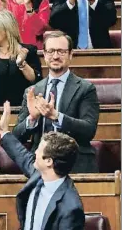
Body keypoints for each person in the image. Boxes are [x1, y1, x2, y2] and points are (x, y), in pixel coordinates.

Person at [0, 101, 85, 230]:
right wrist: (3, 133)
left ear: (49, 161)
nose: (34, 152)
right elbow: (23, 156)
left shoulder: (71, 207)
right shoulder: (39, 174)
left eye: (39, 149)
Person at [12, 31, 100, 173]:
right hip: (39, 166)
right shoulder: (32, 91)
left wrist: (56, 116)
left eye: (61, 51)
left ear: (71, 54)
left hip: (76, 164)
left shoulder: (86, 89)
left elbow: (89, 130)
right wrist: (32, 119)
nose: (55, 56)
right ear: (45, 55)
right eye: (51, 51)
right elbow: (16, 136)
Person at [0, 11, 42, 106]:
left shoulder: (28, 51)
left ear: (6, 29)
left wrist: (22, 64)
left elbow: (36, 81)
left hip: (22, 109)